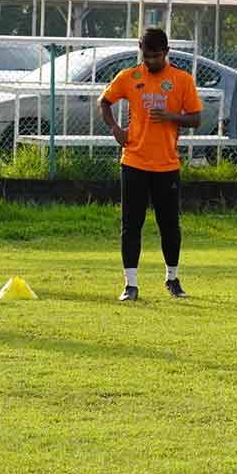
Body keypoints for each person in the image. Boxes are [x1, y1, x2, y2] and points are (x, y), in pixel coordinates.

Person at [99, 27, 202, 302]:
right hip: (134, 161)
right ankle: (130, 284)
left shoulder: (182, 80)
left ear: (166, 52)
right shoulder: (129, 77)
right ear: (140, 50)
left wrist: (170, 116)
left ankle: (172, 278)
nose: (151, 61)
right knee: (131, 225)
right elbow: (104, 102)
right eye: (147, 56)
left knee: (169, 225)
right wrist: (115, 129)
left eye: (156, 56)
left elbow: (195, 118)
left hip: (167, 165)